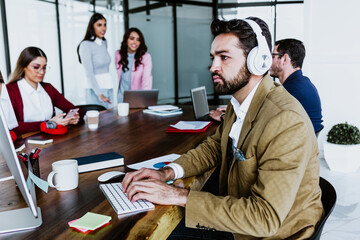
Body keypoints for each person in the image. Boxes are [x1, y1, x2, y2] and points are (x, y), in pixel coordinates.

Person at [122, 17, 324, 239]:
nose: (213, 67)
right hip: (241, 215)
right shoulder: (238, 102)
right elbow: (216, 146)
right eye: (213, 58)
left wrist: (179, 196)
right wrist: (167, 172)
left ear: (258, 61)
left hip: (268, 233)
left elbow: (264, 218)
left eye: (224, 57)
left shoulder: (285, 120)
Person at [7, 47, 82, 136]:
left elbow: (77, 110)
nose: (42, 72)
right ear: (23, 67)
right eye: (36, 67)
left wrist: (72, 118)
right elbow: (12, 126)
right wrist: (50, 124)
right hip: (26, 145)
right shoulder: (10, 90)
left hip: (51, 140)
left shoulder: (48, 88)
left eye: (44, 67)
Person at [270, 38, 324, 135]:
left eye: (273, 56)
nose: (269, 60)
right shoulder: (302, 83)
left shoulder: (293, 90)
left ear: (285, 59)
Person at [77, 13, 112, 109]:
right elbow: (89, 72)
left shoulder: (104, 42)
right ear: (92, 26)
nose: (103, 28)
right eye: (99, 25)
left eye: (105, 25)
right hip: (95, 90)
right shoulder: (85, 45)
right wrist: (99, 93)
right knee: (98, 121)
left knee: (110, 120)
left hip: (108, 87)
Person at [115, 28, 152, 103]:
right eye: (132, 38)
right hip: (120, 101)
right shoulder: (118, 54)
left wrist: (145, 100)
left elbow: (146, 80)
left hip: (137, 100)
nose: (135, 42)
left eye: (138, 40)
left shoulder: (145, 57)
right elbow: (114, 77)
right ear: (126, 40)